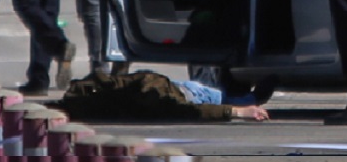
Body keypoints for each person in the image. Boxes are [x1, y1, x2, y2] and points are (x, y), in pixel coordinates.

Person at [56, 70, 274, 122]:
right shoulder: (148, 98)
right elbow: (191, 111)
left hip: (179, 88)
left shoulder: (90, 99)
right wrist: (236, 112)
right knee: (242, 99)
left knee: (231, 95)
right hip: (188, 93)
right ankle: (266, 86)